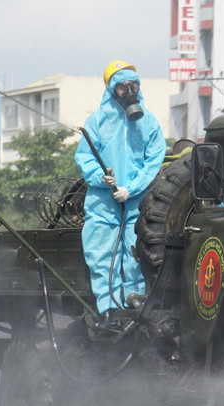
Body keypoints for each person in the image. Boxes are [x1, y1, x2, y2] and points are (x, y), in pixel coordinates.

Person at [75, 60, 166, 326]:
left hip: (137, 202)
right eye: (122, 87)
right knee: (102, 252)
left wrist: (133, 188)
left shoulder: (148, 121)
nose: (129, 91)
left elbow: (155, 158)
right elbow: (85, 156)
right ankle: (108, 306)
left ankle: (133, 299)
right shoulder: (98, 120)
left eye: (133, 85)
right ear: (112, 90)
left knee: (136, 250)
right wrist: (101, 178)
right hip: (103, 202)